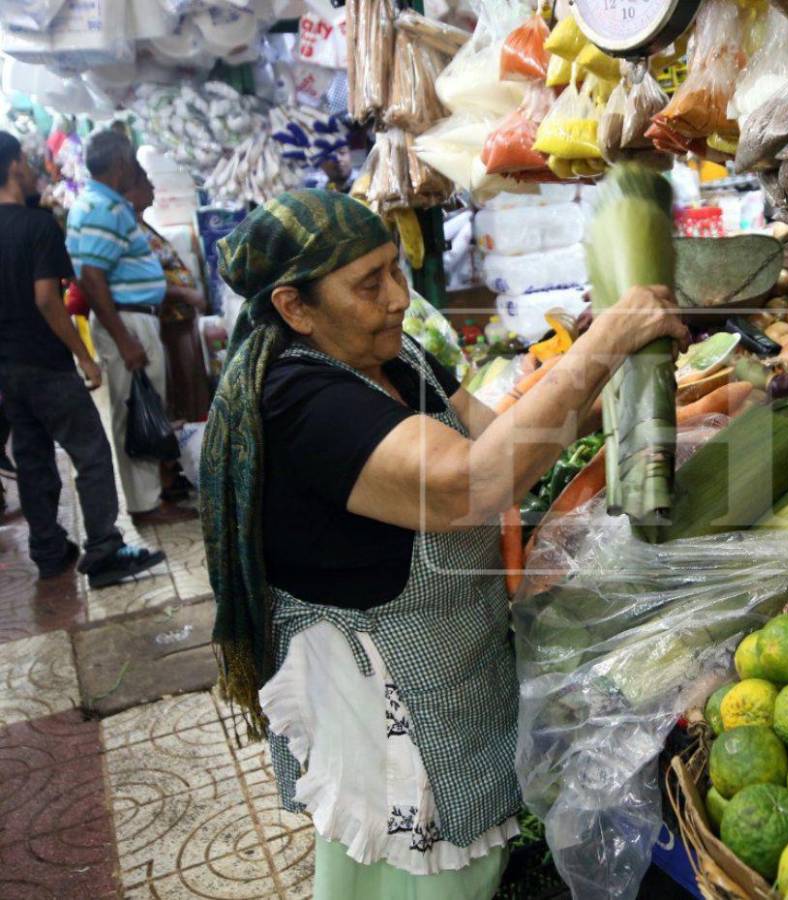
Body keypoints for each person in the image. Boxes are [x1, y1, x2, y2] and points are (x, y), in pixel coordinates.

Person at [200, 190, 686, 900]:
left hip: (448, 662)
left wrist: (601, 362)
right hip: (378, 691)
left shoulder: (395, 361)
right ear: (295, 307)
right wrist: (605, 342)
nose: (399, 296)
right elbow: (470, 487)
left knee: (459, 867)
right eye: (370, 284)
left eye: (396, 269)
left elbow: (508, 442)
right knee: (400, 876)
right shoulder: (300, 400)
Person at [0, 131, 165, 586]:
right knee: (91, 453)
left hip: (8, 366)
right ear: (14, 166)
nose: (35, 171)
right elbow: (48, 300)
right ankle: (104, 550)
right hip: (46, 363)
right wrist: (83, 358)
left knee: (33, 458)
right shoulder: (36, 227)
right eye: (28, 164)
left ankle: (49, 549)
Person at [66, 129, 196, 527]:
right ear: (121, 165)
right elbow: (92, 277)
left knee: (145, 405)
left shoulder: (105, 204)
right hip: (126, 320)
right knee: (133, 409)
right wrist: (124, 340)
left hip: (135, 316)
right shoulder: (102, 207)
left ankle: (152, 497)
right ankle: (145, 506)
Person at [124, 167, 211, 424]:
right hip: (168, 318)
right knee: (182, 385)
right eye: (146, 184)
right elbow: (146, 279)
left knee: (192, 382)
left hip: (179, 316)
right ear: (130, 191)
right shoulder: (132, 231)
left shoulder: (141, 224)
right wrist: (186, 293)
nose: (152, 189)